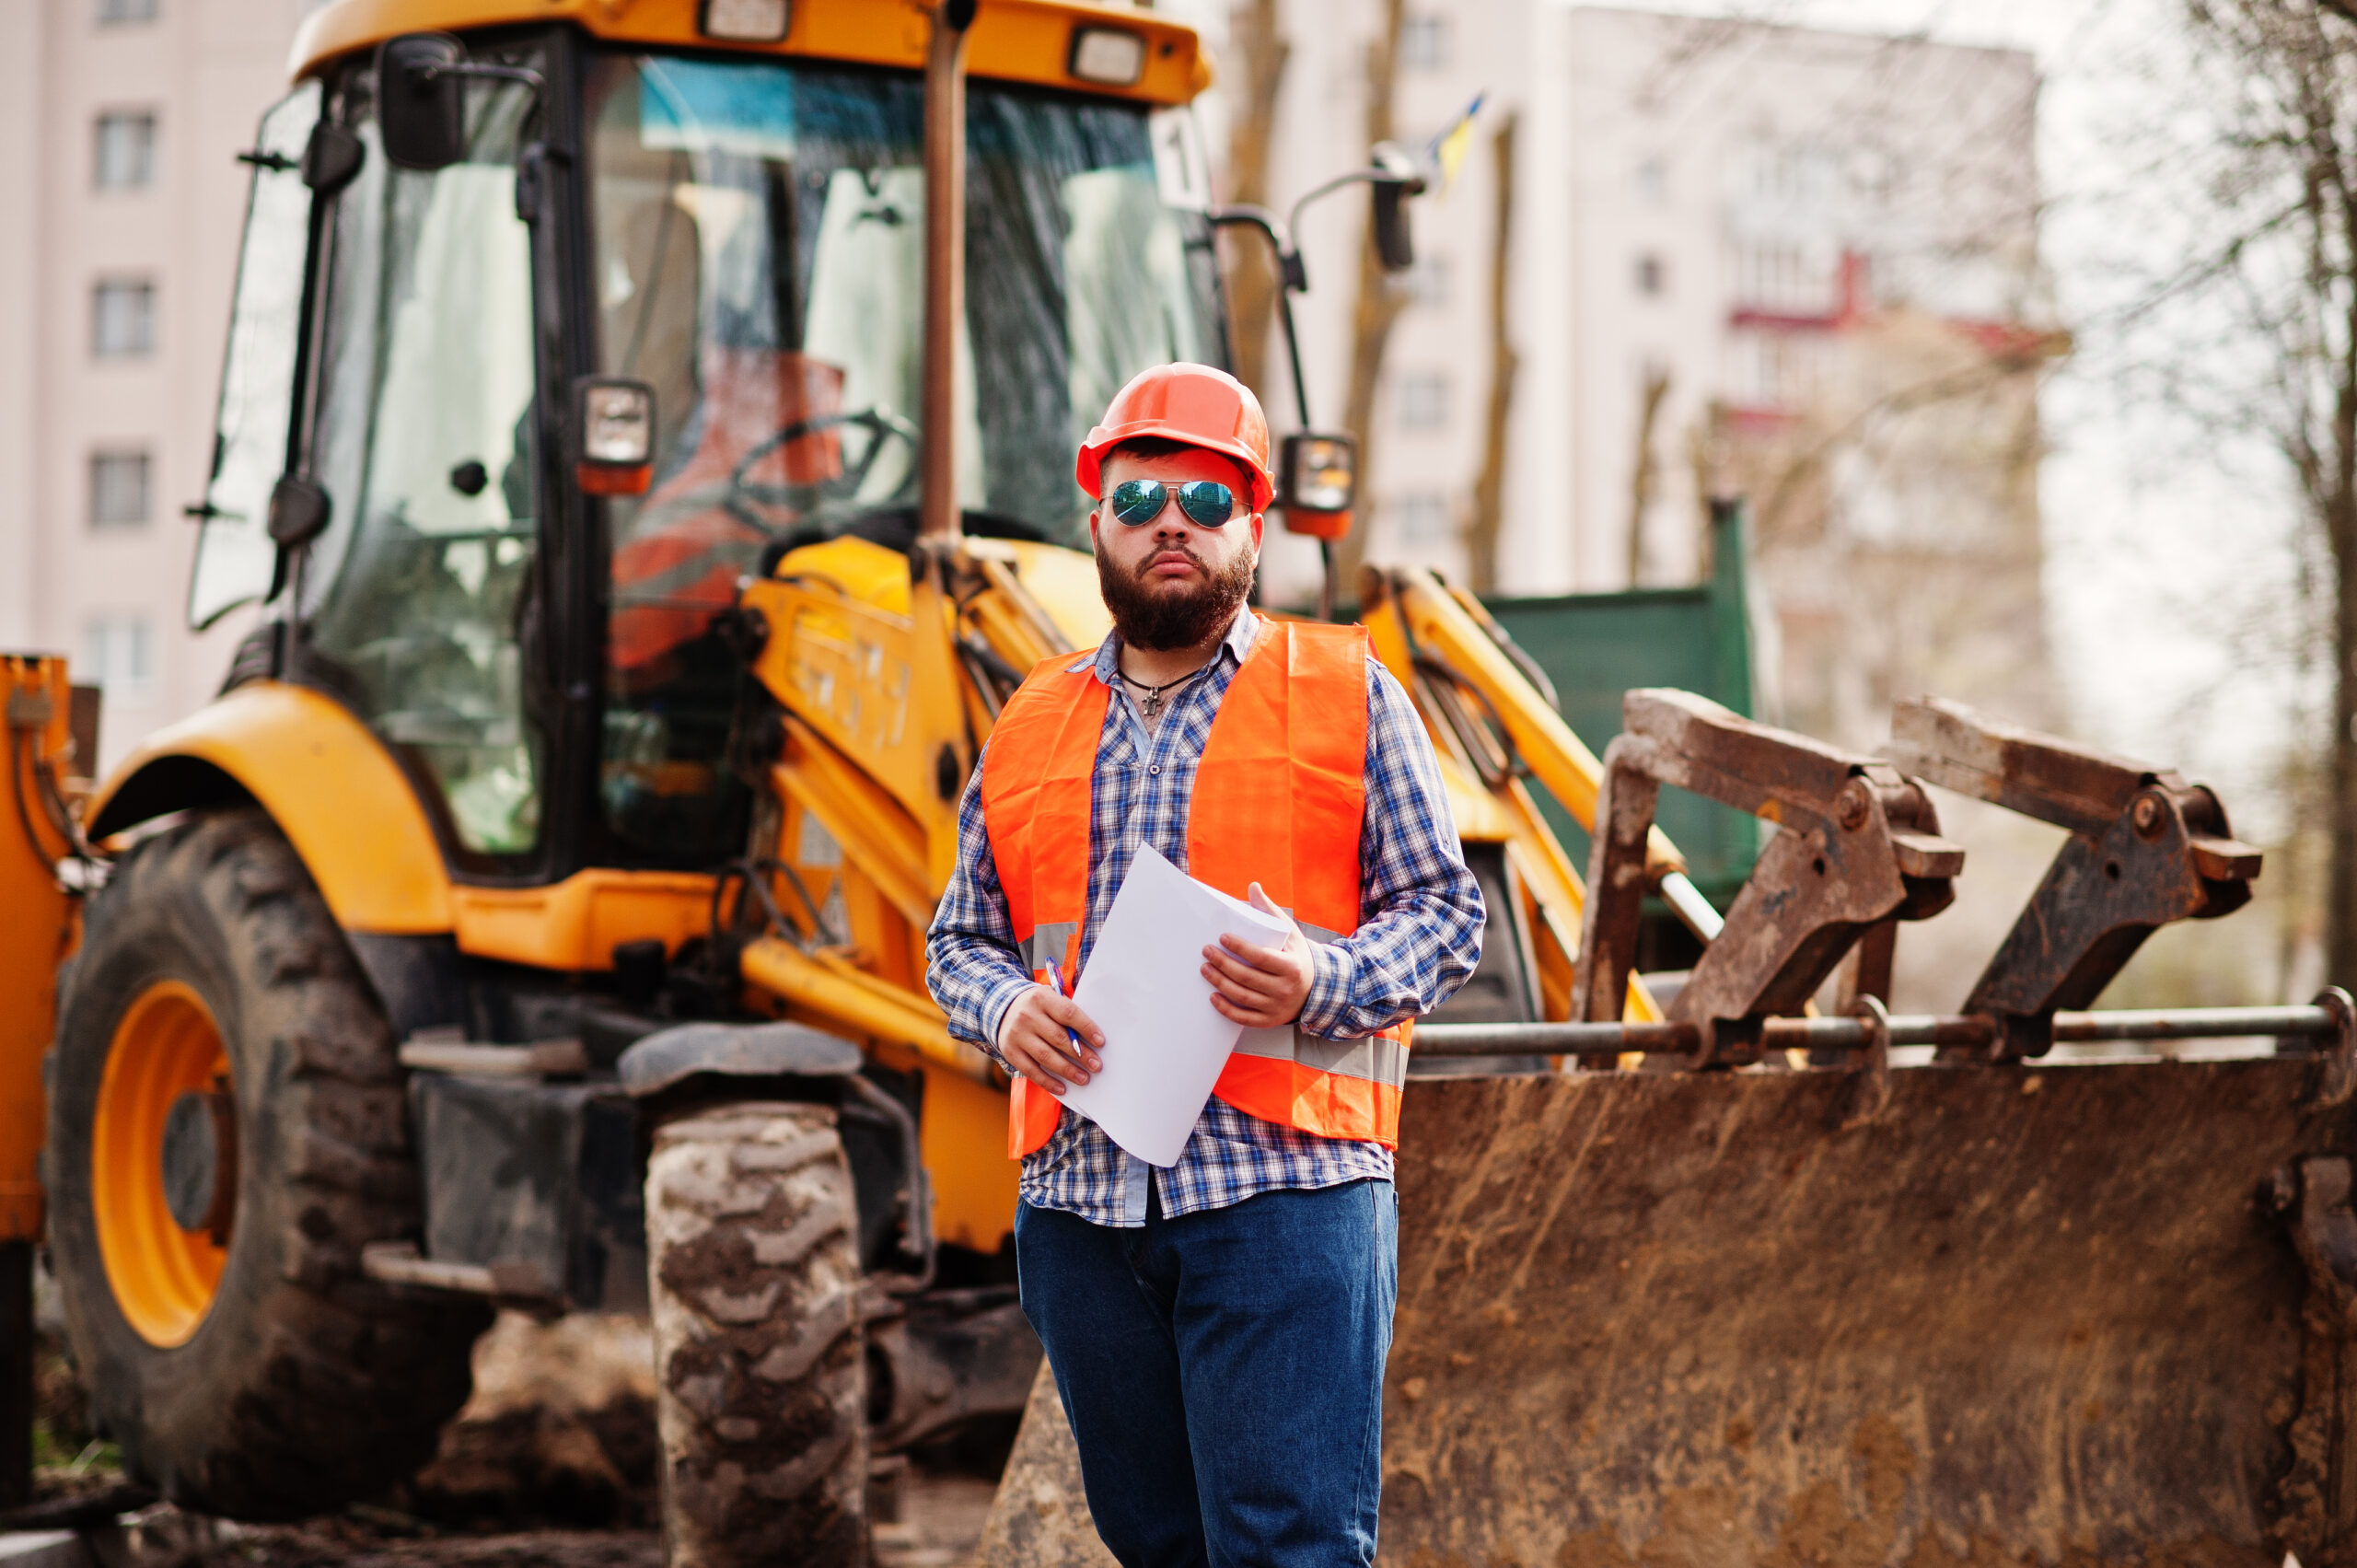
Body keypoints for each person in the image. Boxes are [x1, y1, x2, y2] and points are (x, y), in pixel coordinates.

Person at [925, 362, 1485, 1568]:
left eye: (1204, 498)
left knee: (1288, 1549)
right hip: (1081, 1215)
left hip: (1286, 1200)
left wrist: (1319, 980)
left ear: (1253, 526)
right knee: (1157, 1549)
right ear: (1096, 526)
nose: (1169, 521)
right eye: (1139, 501)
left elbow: (1445, 917)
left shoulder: (1349, 697)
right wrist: (1006, 1006)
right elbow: (955, 941)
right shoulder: (1028, 723)